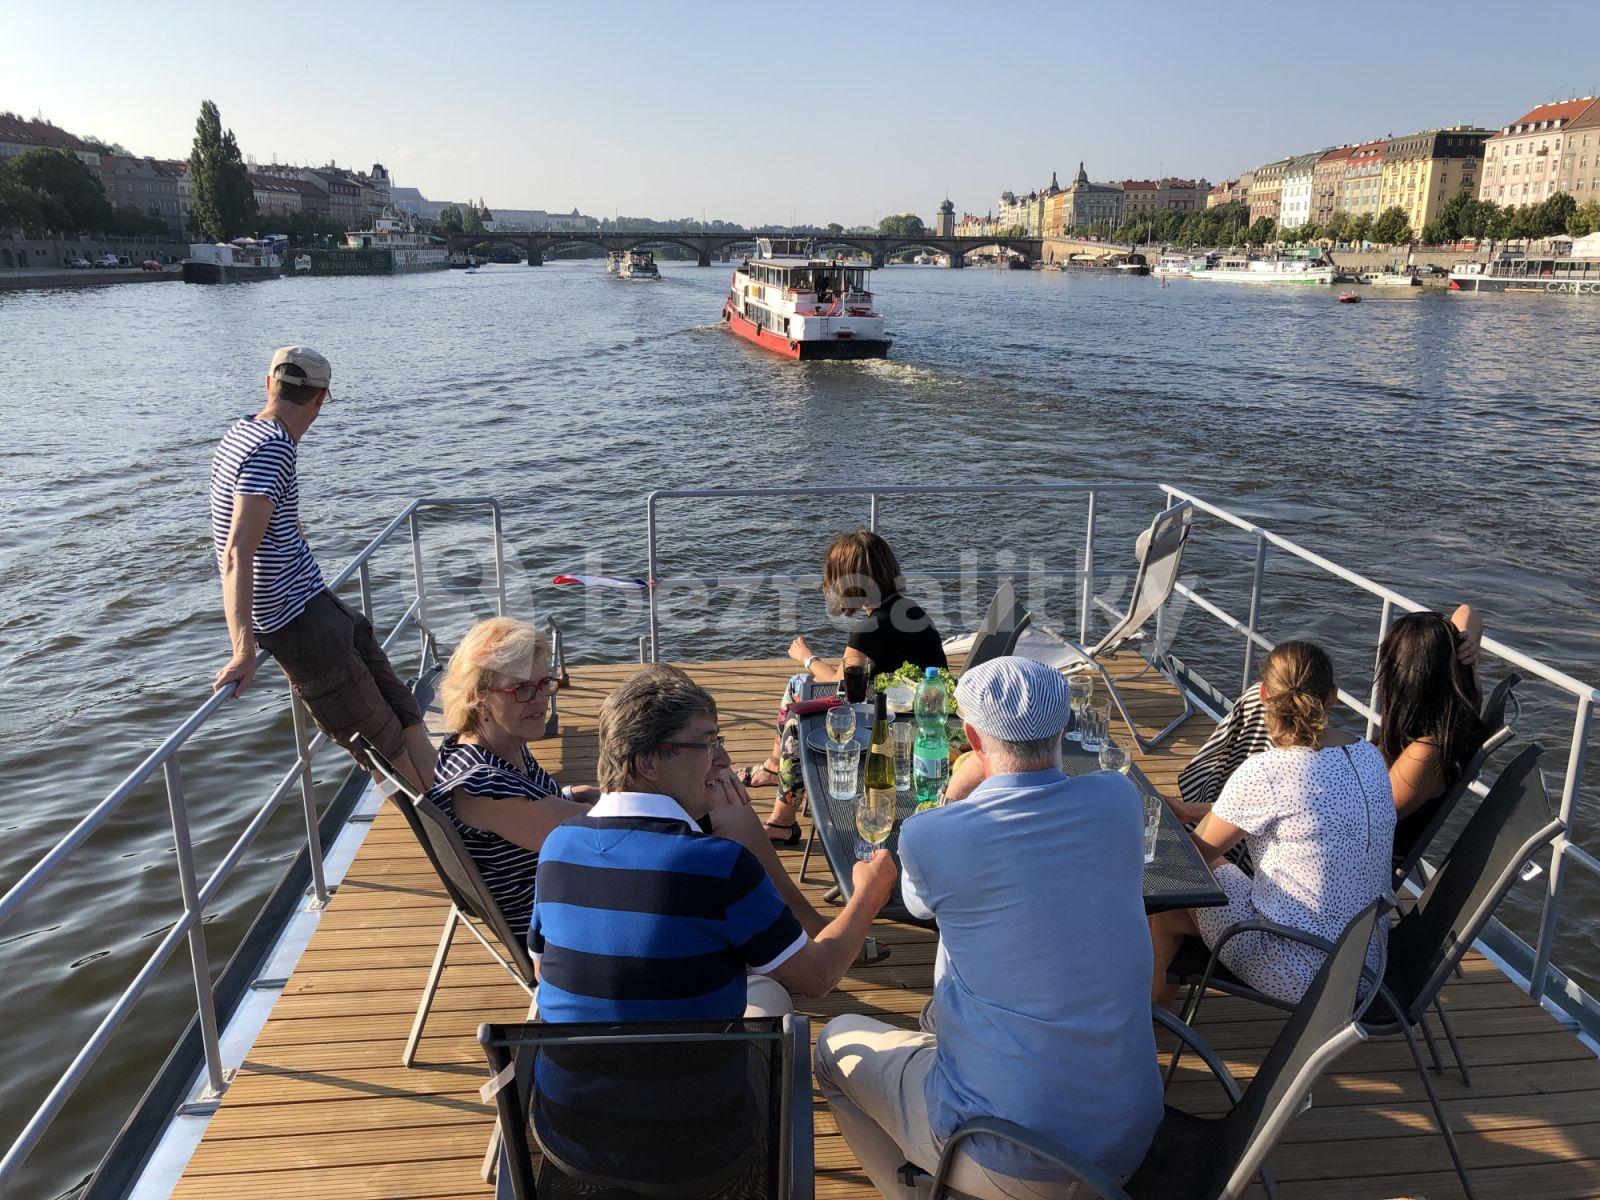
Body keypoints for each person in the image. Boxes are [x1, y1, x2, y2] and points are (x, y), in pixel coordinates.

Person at [815, 656, 1162, 1200]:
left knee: (832, 1048)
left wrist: (953, 794)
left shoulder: (933, 836)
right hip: (1128, 1141)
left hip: (1004, 1155)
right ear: (1065, 729)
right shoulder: (1118, 799)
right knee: (952, 1001)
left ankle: (910, 1191)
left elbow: (918, 904)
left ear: (972, 737)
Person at [529, 663, 897, 1022]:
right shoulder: (719, 865)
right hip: (699, 1080)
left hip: (563, 1078)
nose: (725, 760)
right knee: (772, 994)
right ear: (648, 763)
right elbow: (818, 977)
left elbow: (545, 966)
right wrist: (869, 893)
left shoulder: (557, 847)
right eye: (708, 745)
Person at [430, 618, 833, 943]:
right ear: (478, 695)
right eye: (521, 689)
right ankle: (799, 934)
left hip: (574, 886)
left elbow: (546, 813)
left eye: (543, 684)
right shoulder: (479, 783)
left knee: (719, 807)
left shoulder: (495, 745)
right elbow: (583, 833)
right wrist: (693, 801)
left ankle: (795, 925)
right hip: (563, 925)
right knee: (727, 815)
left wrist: (579, 792)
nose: (540, 699)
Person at [210, 346, 435, 791]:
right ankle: (454, 845)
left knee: (405, 713)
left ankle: (462, 820)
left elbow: (250, 519)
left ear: (269, 385)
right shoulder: (273, 449)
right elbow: (238, 550)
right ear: (320, 399)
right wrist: (244, 650)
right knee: (386, 751)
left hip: (322, 606)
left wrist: (288, 527)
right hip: (301, 629)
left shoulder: (240, 435)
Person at [1149, 641, 1396, 1009]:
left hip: (1299, 971)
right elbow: (1305, 812)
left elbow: (1190, 863)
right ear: (1332, 697)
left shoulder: (1267, 772)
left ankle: (1152, 1011)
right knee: (1216, 864)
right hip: (1365, 964)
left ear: (1263, 694)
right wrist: (1195, 811)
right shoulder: (1370, 757)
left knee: (1178, 893)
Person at [1168, 605, 1484, 864]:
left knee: (1178, 869)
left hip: (1322, 861)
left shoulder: (1422, 756)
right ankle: (1212, 800)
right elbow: (1467, 612)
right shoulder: (1450, 717)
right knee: (1258, 700)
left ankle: (1218, 803)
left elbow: (1313, 812)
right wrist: (1463, 641)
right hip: (1319, 832)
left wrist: (1232, 805)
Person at [742, 530, 947, 844]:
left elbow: (840, 687)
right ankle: (773, 770)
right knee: (797, 686)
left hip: (889, 740)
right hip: (921, 722)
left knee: (797, 726)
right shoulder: (914, 612)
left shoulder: (867, 632)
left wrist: (807, 657)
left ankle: (783, 818)